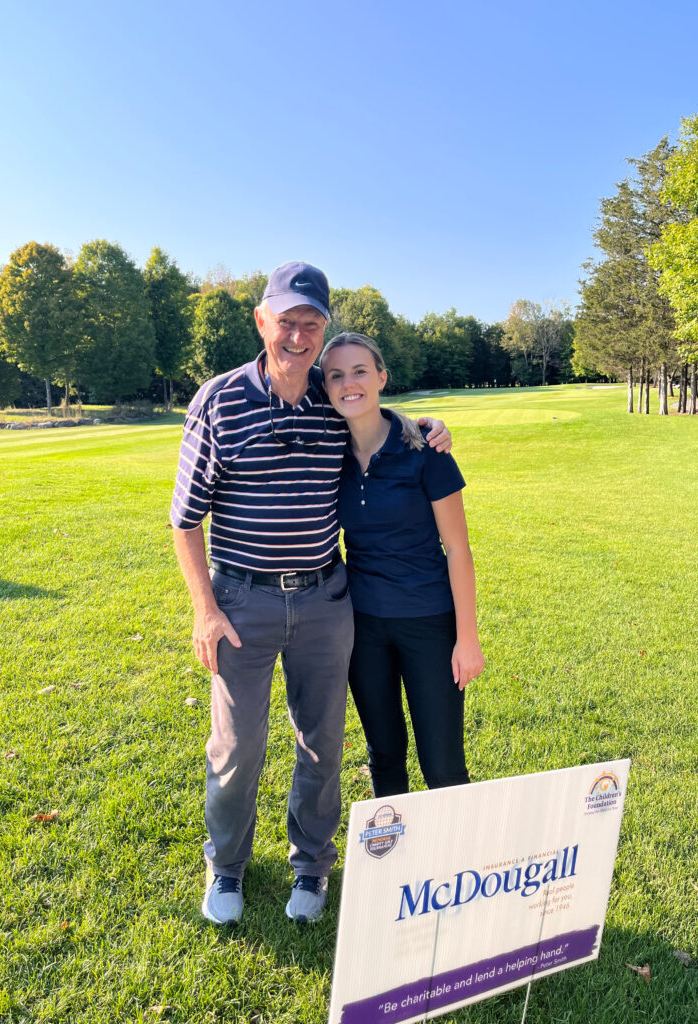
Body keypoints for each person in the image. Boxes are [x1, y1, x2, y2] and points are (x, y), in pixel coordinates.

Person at [170, 262, 451, 926]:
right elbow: (185, 520)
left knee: (322, 743)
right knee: (238, 748)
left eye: (311, 324)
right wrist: (204, 611)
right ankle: (228, 867)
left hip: (326, 601)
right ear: (263, 321)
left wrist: (425, 423)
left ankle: (311, 868)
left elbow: (376, 415)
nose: (298, 336)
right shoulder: (219, 399)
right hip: (242, 603)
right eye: (287, 321)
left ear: (323, 333)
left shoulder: (331, 396)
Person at [320, 332, 485, 797]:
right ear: (327, 388)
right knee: (385, 756)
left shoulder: (425, 450)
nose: (349, 383)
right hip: (363, 626)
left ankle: (454, 864)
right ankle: (396, 866)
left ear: (381, 378)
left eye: (360, 372)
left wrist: (467, 638)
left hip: (429, 623)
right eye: (336, 375)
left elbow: (458, 549)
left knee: (444, 766)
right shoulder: (330, 453)